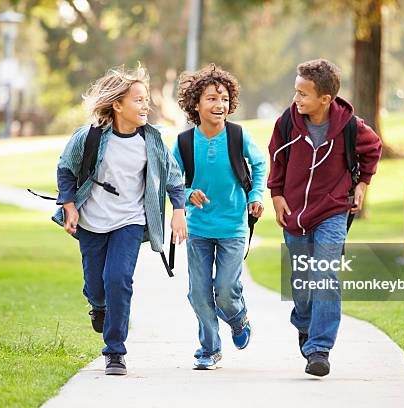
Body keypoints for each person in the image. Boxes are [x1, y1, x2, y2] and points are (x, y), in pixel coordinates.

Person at [53, 64, 188, 376]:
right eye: (138, 100)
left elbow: (174, 178)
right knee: (96, 286)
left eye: (146, 100)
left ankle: (115, 352)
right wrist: (69, 205)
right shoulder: (88, 137)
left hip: (130, 221)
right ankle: (98, 307)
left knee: (118, 279)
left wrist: (178, 210)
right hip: (91, 222)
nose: (146, 106)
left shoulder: (151, 141)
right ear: (117, 105)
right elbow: (65, 169)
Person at [268, 59, 382, 377]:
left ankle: (319, 348)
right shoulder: (287, 123)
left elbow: (373, 148)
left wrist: (361, 185)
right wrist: (276, 196)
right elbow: (276, 157)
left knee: (325, 275)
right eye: (296, 92)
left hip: (333, 209)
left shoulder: (349, 126)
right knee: (302, 285)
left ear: (325, 99)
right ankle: (305, 323)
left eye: (303, 94)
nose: (297, 99)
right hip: (294, 214)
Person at [174, 64, 266, 370]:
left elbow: (260, 165)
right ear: (196, 104)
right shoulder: (184, 142)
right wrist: (187, 195)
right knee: (199, 294)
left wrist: (255, 197)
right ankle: (210, 349)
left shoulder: (238, 136)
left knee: (225, 290)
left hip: (233, 227)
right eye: (212, 98)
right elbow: (172, 180)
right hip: (199, 228)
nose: (219, 105)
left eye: (224, 99)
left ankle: (238, 318)